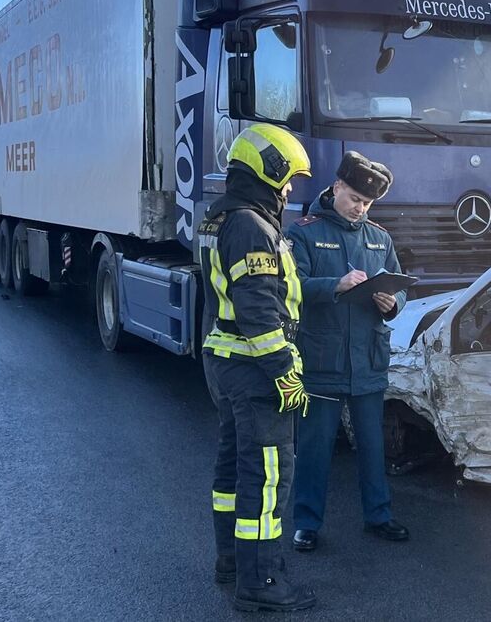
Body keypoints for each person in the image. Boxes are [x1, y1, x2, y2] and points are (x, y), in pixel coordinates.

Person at [199, 123, 316, 613]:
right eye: (287, 181)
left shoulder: (223, 217)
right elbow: (260, 311)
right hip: (255, 369)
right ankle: (261, 581)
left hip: (229, 362)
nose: (288, 192)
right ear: (267, 172)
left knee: (234, 466)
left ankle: (232, 562)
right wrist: (284, 372)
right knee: (268, 477)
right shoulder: (251, 226)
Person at [286, 151, 409, 553]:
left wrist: (393, 303)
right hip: (322, 360)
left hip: (367, 360)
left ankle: (379, 516)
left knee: (373, 446)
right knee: (315, 448)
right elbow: (290, 287)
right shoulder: (303, 233)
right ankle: (306, 523)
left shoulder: (379, 237)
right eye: (355, 198)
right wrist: (334, 286)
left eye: (367, 203)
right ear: (337, 186)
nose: (360, 208)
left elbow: (399, 286)